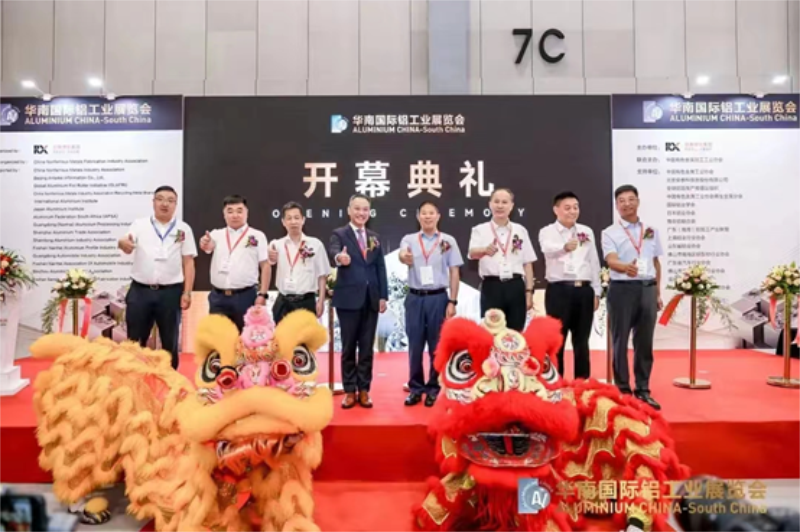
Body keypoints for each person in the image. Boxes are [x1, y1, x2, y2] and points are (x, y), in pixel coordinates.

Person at [118, 185, 196, 369]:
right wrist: (122, 243)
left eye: (170, 200)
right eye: (160, 199)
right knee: (134, 340)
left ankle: (170, 379)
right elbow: (126, 243)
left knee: (170, 340)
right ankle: (134, 377)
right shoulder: (140, 225)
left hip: (170, 293)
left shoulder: (183, 229)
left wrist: (187, 292)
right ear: (153, 202)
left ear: (175, 204)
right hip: (140, 291)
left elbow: (188, 262)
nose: (164, 204)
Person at [601, 184, 664, 410]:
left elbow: (655, 262)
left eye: (631, 199)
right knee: (620, 341)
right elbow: (611, 260)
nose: (627, 204)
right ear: (616, 205)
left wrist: (657, 293)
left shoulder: (651, 230)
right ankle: (623, 390)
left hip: (647, 289)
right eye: (622, 201)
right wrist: (624, 267)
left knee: (644, 342)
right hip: (622, 290)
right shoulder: (610, 232)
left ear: (638, 201)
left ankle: (643, 389)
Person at [398, 201, 463, 407]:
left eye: (431, 213)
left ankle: (434, 387)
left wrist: (452, 300)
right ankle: (416, 388)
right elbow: (402, 254)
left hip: (438, 298)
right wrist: (404, 257)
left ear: (438, 216)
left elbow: (454, 271)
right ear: (418, 217)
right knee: (415, 345)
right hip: (415, 298)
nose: (427, 216)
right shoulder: (409, 239)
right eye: (424, 213)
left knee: (436, 345)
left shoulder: (448, 241)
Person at [328, 194, 388, 409]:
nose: (361, 213)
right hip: (348, 300)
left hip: (371, 299)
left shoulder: (374, 237)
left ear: (369, 212)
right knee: (348, 347)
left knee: (366, 348)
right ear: (349, 210)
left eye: (365, 209)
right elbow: (333, 252)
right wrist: (339, 258)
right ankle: (349, 390)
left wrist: (383, 296)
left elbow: (380, 267)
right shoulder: (339, 234)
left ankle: (364, 390)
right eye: (357, 208)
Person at [538, 191, 601, 379]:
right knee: (557, 339)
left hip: (584, 291)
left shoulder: (586, 231)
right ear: (556, 210)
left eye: (575, 207)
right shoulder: (547, 231)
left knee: (582, 340)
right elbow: (547, 249)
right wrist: (564, 247)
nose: (572, 211)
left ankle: (582, 383)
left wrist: (596, 291)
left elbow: (594, 262)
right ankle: (556, 382)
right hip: (559, 291)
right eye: (567, 208)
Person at [467, 188, 536, 332]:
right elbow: (471, 253)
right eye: (496, 201)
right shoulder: (479, 230)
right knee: (491, 331)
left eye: (504, 202)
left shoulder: (520, 230)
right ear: (490, 204)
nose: (500, 206)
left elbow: (528, 263)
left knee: (515, 331)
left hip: (515, 286)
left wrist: (529, 292)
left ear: (511, 206)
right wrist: (484, 250)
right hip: (492, 286)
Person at [199, 195, 270, 331]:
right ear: (224, 214)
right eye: (230, 211)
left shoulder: (258, 236)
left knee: (245, 338)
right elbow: (208, 246)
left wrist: (262, 294)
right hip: (218, 297)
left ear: (247, 213)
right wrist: (205, 243)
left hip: (245, 297)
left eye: (239, 211)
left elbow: (265, 265)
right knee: (218, 337)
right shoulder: (216, 234)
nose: (235, 215)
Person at [268, 201, 330, 323]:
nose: (293, 222)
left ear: (303, 220)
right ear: (283, 222)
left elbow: (322, 275)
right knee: (282, 335)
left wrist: (321, 300)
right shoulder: (276, 245)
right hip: (283, 302)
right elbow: (269, 261)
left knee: (305, 335)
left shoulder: (315, 244)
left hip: (306, 302)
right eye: (289, 218)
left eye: (297, 218)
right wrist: (269, 254)